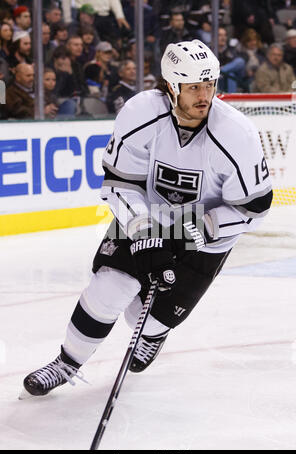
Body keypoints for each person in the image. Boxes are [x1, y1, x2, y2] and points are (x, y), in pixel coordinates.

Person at [22, 39, 273, 397]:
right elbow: (119, 183)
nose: (204, 95)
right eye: (193, 87)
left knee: (143, 316)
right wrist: (144, 233)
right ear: (171, 86)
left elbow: (254, 209)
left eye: (210, 85)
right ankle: (66, 363)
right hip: (149, 213)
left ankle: (155, 333)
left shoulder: (236, 134)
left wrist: (189, 232)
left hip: (207, 231)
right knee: (108, 288)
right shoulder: (140, 112)